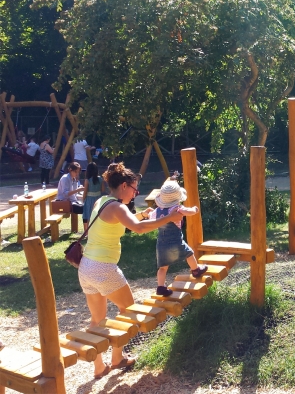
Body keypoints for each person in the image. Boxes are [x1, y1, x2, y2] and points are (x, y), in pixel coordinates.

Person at [78, 163, 186, 379]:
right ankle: (117, 357)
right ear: (125, 185)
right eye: (135, 190)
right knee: (128, 311)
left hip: (86, 266)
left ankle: (99, 366)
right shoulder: (118, 207)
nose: (136, 194)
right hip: (103, 268)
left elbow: (126, 222)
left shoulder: (103, 201)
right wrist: (167, 218)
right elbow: (136, 230)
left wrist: (144, 215)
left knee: (96, 319)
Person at [142, 180, 208, 296]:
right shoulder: (176, 209)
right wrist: (194, 209)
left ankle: (161, 287)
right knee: (189, 253)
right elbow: (188, 211)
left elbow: (150, 219)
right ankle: (196, 270)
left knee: (162, 268)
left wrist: (147, 214)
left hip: (161, 244)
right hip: (175, 242)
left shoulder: (157, 211)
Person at [82, 162, 105, 230]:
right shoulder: (100, 179)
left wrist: (83, 199)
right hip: (98, 199)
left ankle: (87, 231)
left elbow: (85, 192)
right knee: (97, 215)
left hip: (89, 199)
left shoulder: (87, 180)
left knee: (88, 215)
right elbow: (103, 189)